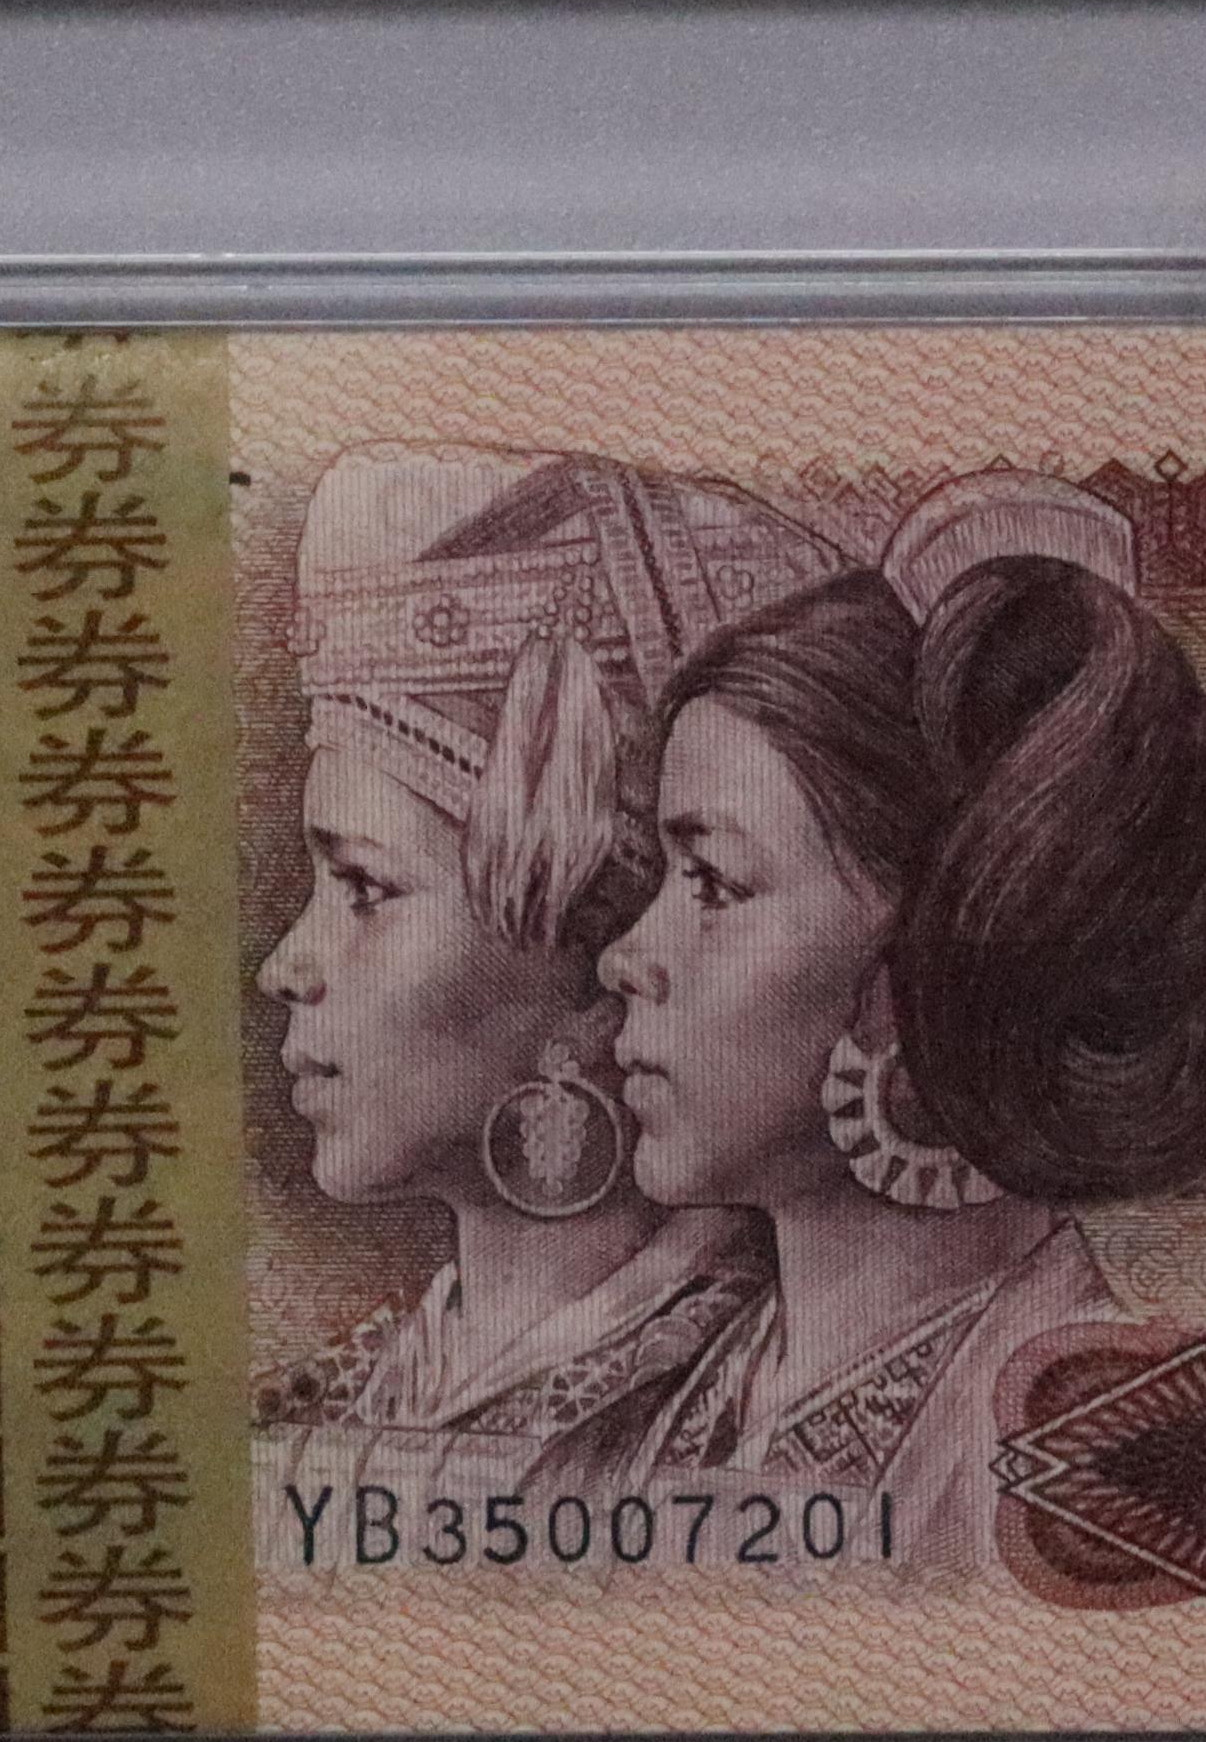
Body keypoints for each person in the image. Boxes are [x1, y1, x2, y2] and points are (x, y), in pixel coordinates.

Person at [580, 469, 1206, 1564]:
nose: (624, 956)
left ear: (931, 958)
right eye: (660, 876)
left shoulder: (1107, 1463)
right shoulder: (650, 1408)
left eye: (715, 883)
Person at [252, 444, 839, 1451]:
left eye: (365, 889)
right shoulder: (321, 1407)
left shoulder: (763, 1427)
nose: (284, 967)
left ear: (599, 972)